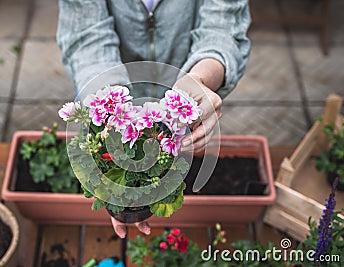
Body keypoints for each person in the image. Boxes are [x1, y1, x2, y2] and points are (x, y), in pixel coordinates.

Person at [57, 0, 251, 238]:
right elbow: (87, 37)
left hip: (182, 110)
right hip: (118, 101)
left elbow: (222, 29)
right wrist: (110, 112)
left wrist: (201, 78)